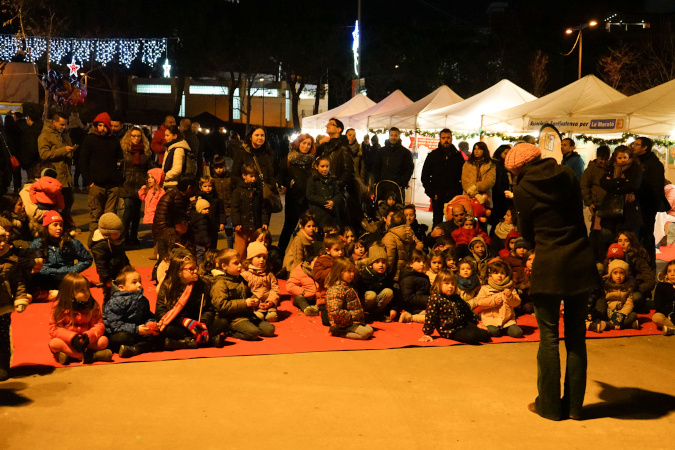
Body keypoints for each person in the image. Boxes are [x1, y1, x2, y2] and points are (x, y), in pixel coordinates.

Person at [505, 142, 600, 421]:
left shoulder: (523, 190)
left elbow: (527, 233)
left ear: (519, 168)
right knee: (576, 338)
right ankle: (573, 407)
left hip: (549, 264)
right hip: (580, 261)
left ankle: (548, 406)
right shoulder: (568, 175)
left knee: (548, 338)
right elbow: (579, 217)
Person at [156, 251, 227, 349]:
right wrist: (184, 321)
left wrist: (203, 323)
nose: (195, 271)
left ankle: (185, 342)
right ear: (178, 271)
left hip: (197, 323)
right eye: (191, 269)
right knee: (164, 329)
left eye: (196, 268)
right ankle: (206, 340)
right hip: (179, 324)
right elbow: (160, 313)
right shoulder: (167, 286)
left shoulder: (202, 284)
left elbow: (209, 309)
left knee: (223, 322)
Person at [210, 248, 275, 341]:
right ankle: (229, 331)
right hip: (233, 319)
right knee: (253, 333)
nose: (240, 266)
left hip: (247, 315)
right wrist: (245, 303)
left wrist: (255, 299)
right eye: (236, 263)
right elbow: (222, 305)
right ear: (224, 266)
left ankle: (248, 326)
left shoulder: (239, 279)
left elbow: (248, 293)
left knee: (270, 330)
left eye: (240, 262)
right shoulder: (220, 283)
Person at [48, 273, 112, 365]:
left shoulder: (93, 305)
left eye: (87, 289)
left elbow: (99, 325)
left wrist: (88, 337)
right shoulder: (59, 307)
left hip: (85, 341)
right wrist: (72, 338)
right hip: (68, 342)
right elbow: (54, 329)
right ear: (70, 293)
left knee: (104, 341)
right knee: (54, 343)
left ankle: (70, 355)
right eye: (82, 290)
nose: (87, 293)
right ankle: (89, 356)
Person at [80, 112, 124, 246]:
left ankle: (108, 245)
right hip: (97, 185)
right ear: (96, 126)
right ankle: (93, 244)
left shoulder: (114, 141)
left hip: (112, 186)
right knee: (95, 217)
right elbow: (83, 161)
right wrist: (89, 181)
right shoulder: (90, 140)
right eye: (100, 125)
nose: (102, 128)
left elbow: (120, 161)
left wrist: (118, 180)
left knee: (110, 218)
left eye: (105, 126)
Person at [419, 269, 491, 344]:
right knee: (472, 337)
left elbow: (467, 311)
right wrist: (427, 333)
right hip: (449, 330)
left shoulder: (456, 297)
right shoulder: (435, 299)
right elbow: (431, 317)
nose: (450, 286)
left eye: (452, 284)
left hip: (462, 324)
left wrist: (476, 323)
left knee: (485, 335)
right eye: (447, 283)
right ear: (438, 284)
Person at [28, 211, 92, 294]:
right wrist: (43, 270)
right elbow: (29, 261)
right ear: (47, 227)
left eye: (61, 225)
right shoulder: (38, 243)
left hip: (66, 278)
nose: (59, 228)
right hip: (44, 278)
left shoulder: (71, 243)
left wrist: (73, 270)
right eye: (55, 225)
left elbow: (87, 259)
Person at [103, 266, 161, 358]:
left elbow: (147, 315)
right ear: (122, 287)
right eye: (134, 282)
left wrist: (150, 322)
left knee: (157, 334)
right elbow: (115, 325)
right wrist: (136, 330)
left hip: (137, 332)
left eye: (140, 281)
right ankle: (140, 346)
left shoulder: (143, 300)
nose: (139, 285)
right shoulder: (115, 302)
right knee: (123, 337)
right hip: (118, 333)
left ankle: (135, 349)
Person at [632, 137, 669, 268]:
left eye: (636, 144)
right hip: (639, 205)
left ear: (644, 148)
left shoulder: (653, 164)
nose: (633, 146)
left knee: (646, 235)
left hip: (646, 206)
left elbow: (656, 188)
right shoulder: (637, 161)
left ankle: (648, 264)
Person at [0, 225, 30, 380]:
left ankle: (3, 365)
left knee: (3, 337)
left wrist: (20, 298)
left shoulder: (11, 261)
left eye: (3, 240)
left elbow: (18, 282)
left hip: (3, 307)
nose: (2, 244)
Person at [598, 145, 642, 248]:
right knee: (608, 241)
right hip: (610, 210)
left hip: (628, 211)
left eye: (624, 158)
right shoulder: (610, 169)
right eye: (619, 158)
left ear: (629, 157)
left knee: (628, 242)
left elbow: (632, 186)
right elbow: (603, 183)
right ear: (615, 158)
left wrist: (613, 185)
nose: (622, 160)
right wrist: (621, 181)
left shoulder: (634, 169)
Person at [278, 134, 315, 254]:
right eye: (303, 143)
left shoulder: (313, 161)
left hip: (308, 201)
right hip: (293, 200)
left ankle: (306, 256)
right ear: (298, 143)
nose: (306, 146)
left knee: (308, 229)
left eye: (308, 144)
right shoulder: (289, 159)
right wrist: (288, 183)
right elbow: (280, 177)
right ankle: (279, 255)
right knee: (288, 228)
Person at [38, 112, 76, 223]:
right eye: (62, 124)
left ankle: (65, 224)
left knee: (68, 200)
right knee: (56, 204)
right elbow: (44, 154)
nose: (64, 127)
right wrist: (64, 150)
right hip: (55, 175)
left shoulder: (63, 135)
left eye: (65, 124)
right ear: (54, 122)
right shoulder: (45, 135)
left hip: (66, 175)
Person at [421, 129, 464, 227]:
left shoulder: (457, 156)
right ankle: (436, 242)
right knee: (437, 223)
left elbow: (463, 175)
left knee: (455, 222)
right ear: (440, 139)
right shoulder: (433, 156)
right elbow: (425, 176)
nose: (446, 140)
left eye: (448, 138)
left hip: (454, 194)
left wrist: (459, 191)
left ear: (451, 139)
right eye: (443, 138)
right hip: (438, 194)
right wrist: (431, 193)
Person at [325, 257, 374, 340]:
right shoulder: (336, 289)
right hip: (342, 324)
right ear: (339, 272)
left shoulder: (347, 286)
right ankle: (339, 332)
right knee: (365, 333)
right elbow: (335, 311)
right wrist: (352, 316)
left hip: (351, 321)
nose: (352, 274)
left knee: (370, 330)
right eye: (349, 271)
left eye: (353, 271)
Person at [119, 127, 152, 246]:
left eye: (138, 136)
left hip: (140, 184)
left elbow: (149, 168)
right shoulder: (124, 150)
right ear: (129, 136)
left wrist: (147, 183)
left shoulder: (146, 151)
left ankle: (133, 235)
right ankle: (124, 236)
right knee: (128, 209)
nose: (136, 138)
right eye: (133, 136)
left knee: (137, 212)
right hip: (127, 183)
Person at [474, 260, 523, 338]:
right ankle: (487, 328)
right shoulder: (485, 288)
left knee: (518, 333)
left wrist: (510, 296)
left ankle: (503, 329)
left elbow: (517, 303)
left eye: (502, 273)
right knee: (494, 332)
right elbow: (480, 302)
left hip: (507, 321)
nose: (499, 275)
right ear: (490, 275)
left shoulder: (510, 288)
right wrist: (493, 301)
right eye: (496, 273)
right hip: (491, 320)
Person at [90, 213, 130, 302]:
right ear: (107, 233)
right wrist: (106, 279)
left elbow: (122, 255)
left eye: (119, 232)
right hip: (109, 275)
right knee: (109, 296)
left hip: (120, 272)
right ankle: (108, 312)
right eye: (115, 233)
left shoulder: (117, 241)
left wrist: (128, 267)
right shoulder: (100, 245)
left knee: (123, 294)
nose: (118, 235)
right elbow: (101, 264)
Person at [231, 164, 268, 260]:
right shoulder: (238, 191)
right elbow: (235, 208)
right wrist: (236, 223)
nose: (254, 179)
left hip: (255, 226)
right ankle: (238, 268)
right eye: (251, 176)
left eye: (255, 176)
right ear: (244, 176)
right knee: (240, 250)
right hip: (242, 227)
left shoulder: (258, 191)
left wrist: (264, 221)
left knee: (253, 249)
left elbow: (263, 208)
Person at [580, 145, 610, 261]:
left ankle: (603, 256)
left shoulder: (610, 168)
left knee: (605, 232)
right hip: (597, 206)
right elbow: (584, 186)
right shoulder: (591, 170)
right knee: (596, 232)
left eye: (606, 159)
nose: (603, 161)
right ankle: (594, 256)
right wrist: (589, 202)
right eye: (601, 158)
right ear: (597, 157)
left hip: (608, 205)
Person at [241, 241, 280, 323]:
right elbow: (244, 293)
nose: (262, 260)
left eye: (264, 257)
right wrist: (256, 303)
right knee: (259, 317)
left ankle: (268, 310)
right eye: (258, 257)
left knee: (272, 317)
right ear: (251, 258)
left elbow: (275, 289)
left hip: (267, 304)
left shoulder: (269, 274)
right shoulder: (245, 275)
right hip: (254, 305)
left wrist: (270, 301)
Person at [355, 244, 395, 321]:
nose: (381, 265)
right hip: (365, 302)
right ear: (371, 265)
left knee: (389, 292)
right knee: (371, 295)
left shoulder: (387, 275)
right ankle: (364, 314)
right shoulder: (364, 275)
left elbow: (394, 294)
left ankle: (376, 314)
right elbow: (358, 292)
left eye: (383, 262)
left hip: (377, 303)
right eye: (377, 262)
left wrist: (394, 309)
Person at [373, 127, 414, 201]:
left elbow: (409, 169)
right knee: (382, 209)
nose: (393, 137)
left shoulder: (405, 153)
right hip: (383, 186)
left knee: (398, 209)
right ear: (389, 136)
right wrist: (378, 181)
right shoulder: (381, 152)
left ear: (399, 136)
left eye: (395, 135)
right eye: (391, 135)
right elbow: (376, 167)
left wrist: (402, 183)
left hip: (398, 187)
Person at [152, 175, 196, 243]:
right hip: (168, 239)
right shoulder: (168, 198)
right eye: (195, 188)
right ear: (189, 187)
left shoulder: (184, 198)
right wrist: (172, 238)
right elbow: (160, 221)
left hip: (179, 236)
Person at [312, 235, 344, 326]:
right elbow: (318, 276)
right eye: (337, 250)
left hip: (342, 296)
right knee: (327, 321)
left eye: (342, 249)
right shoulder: (321, 261)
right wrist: (334, 269)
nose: (340, 252)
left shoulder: (344, 260)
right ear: (328, 250)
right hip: (326, 297)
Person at [600, 259, 639, 330]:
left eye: (621, 273)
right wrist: (609, 311)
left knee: (633, 315)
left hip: (622, 312)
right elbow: (604, 300)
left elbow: (629, 303)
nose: (618, 276)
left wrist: (622, 313)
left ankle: (611, 325)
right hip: (609, 311)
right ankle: (627, 324)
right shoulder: (607, 286)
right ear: (611, 274)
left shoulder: (628, 287)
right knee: (601, 313)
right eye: (615, 273)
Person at [306, 156, 342, 228]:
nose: (325, 169)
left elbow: (338, 194)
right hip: (319, 212)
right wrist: (325, 202)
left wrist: (333, 202)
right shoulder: (313, 179)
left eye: (327, 166)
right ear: (317, 167)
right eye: (322, 166)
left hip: (332, 212)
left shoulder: (332, 179)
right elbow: (310, 195)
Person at [398, 249, 430, 324]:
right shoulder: (407, 278)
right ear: (410, 263)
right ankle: (410, 317)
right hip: (414, 309)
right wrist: (428, 299)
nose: (422, 264)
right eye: (418, 261)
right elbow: (407, 297)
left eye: (424, 262)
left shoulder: (424, 277)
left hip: (424, 306)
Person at [462, 141, 496, 207]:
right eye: (475, 149)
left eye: (479, 149)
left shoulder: (490, 164)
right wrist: (474, 194)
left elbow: (490, 181)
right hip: (469, 196)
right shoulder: (467, 164)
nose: (476, 151)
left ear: (484, 150)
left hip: (485, 196)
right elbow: (465, 181)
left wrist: (476, 187)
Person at [210, 156, 233, 249]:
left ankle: (229, 249)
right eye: (216, 168)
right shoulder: (213, 180)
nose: (218, 170)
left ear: (225, 166)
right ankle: (213, 250)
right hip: (217, 210)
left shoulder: (230, 178)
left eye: (220, 167)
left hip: (228, 209)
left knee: (229, 231)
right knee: (214, 231)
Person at [489, 144, 513, 230]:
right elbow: (497, 183)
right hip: (499, 198)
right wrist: (504, 194)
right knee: (498, 221)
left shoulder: (507, 166)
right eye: (505, 153)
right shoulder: (497, 165)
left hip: (504, 196)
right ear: (500, 153)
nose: (507, 156)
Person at [18, 105, 43, 182]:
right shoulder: (43, 128)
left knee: (33, 184)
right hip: (44, 162)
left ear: (28, 118)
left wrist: (25, 163)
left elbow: (31, 149)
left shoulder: (31, 131)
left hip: (33, 164)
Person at [653, 260, 675, 335]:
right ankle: (672, 327)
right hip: (666, 314)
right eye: (669, 271)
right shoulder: (662, 286)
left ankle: (671, 329)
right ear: (666, 273)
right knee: (656, 317)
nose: (672, 274)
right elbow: (657, 304)